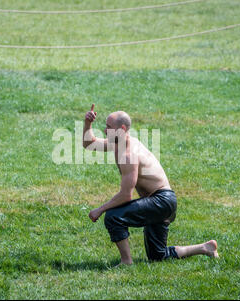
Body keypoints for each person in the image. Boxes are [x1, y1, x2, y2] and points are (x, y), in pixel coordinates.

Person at [82, 104, 219, 266]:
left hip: (161, 201)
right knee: (157, 255)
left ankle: (126, 261)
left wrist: (100, 209)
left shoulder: (129, 155)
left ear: (122, 129)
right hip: (161, 201)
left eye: (109, 127)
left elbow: (126, 195)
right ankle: (206, 248)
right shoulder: (119, 142)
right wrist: (88, 123)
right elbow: (89, 143)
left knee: (113, 217)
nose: (105, 131)